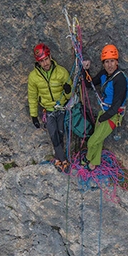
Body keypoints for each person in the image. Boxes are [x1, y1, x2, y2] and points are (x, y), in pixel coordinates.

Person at [82, 44, 128, 170]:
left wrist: (103, 118)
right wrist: (85, 69)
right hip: (104, 112)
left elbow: (116, 106)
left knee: (92, 141)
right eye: (107, 62)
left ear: (117, 62)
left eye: (112, 61)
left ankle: (87, 158)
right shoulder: (104, 74)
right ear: (103, 64)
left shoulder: (120, 80)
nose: (109, 65)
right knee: (99, 139)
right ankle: (94, 163)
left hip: (113, 116)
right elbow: (89, 83)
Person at [28, 43, 72, 172]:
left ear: (50, 57)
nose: (45, 63)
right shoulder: (33, 77)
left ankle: (58, 159)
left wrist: (68, 90)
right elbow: (32, 96)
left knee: (60, 132)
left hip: (61, 108)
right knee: (54, 135)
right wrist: (33, 115)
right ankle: (64, 160)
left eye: (46, 59)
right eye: (42, 61)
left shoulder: (61, 72)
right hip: (48, 110)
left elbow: (72, 93)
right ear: (38, 62)